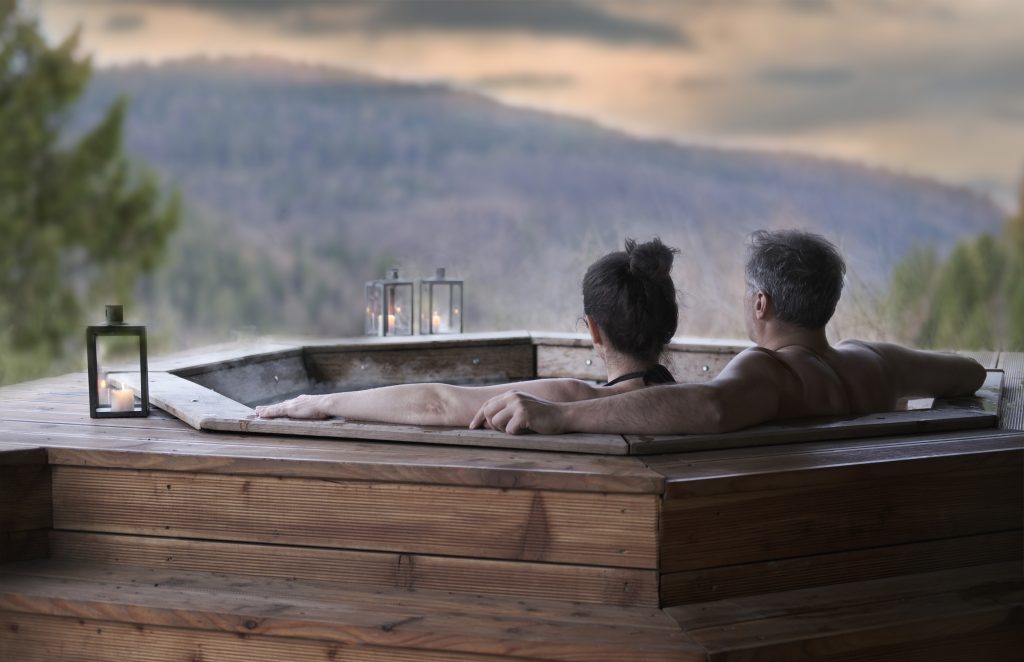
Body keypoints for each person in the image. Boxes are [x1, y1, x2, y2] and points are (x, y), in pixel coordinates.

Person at [470, 230, 987, 435]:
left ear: (761, 303)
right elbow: (971, 372)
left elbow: (711, 408)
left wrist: (563, 415)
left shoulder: (769, 372)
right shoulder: (877, 362)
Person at [255, 238, 682, 424]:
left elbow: (437, 404)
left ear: (594, 331)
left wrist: (324, 401)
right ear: (670, 324)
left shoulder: (568, 401)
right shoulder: (706, 403)